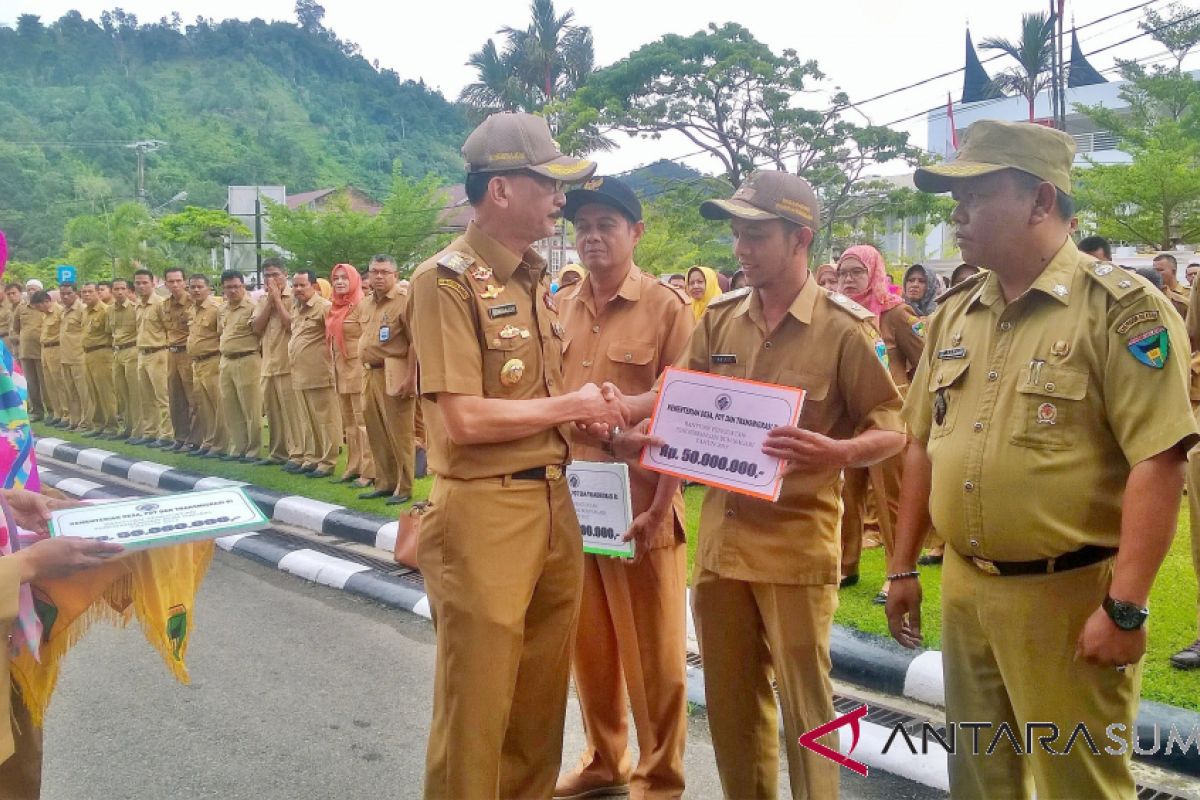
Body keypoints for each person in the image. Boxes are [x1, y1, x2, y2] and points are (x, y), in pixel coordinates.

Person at [886, 119, 1197, 800]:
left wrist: (1126, 608)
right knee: (979, 776)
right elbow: (921, 444)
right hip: (967, 589)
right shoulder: (955, 312)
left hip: (1068, 595)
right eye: (954, 197)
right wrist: (904, 563)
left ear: (1039, 200)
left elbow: (1160, 460)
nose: (958, 214)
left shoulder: (1120, 311)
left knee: (1077, 784)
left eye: (975, 194)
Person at [608, 170, 904, 800]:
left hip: (796, 544)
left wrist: (840, 450)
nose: (740, 248)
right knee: (732, 707)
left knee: (808, 710)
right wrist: (631, 417)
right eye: (738, 233)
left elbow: (894, 428)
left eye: (757, 235)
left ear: (801, 239)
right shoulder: (718, 320)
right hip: (722, 544)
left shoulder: (846, 329)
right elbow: (674, 396)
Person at [408, 111, 616, 799]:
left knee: (537, 707)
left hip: (554, 503)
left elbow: (546, 401)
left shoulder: (532, 278)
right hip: (485, 511)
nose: (562, 199)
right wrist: (572, 406)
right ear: (501, 190)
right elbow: (464, 418)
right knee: (478, 710)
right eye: (548, 184)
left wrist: (598, 417)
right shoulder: (445, 280)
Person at [554, 177, 694, 800]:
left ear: (636, 232)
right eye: (582, 225)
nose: (591, 236)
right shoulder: (560, 306)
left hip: (641, 500)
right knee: (590, 646)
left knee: (655, 658)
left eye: (606, 224)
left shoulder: (667, 307)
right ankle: (604, 759)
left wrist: (625, 416)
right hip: (574, 499)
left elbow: (685, 402)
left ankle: (659, 778)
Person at [835, 245, 924, 602]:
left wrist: (913, 403)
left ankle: (896, 570)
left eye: (857, 272)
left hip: (889, 419)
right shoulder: (839, 313)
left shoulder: (895, 313)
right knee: (845, 493)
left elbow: (929, 359)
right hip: (849, 418)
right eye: (843, 273)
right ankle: (846, 564)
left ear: (873, 272)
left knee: (891, 500)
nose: (848, 280)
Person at [356, 255, 417, 505]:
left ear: (396, 275)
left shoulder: (403, 302)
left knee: (399, 432)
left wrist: (412, 377)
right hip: (369, 373)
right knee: (376, 430)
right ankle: (384, 481)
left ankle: (404, 487)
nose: (378, 277)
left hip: (394, 372)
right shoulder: (366, 304)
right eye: (374, 272)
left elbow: (416, 342)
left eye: (384, 272)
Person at [251, 257, 306, 469]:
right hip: (268, 364)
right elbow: (256, 327)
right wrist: (270, 302)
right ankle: (277, 452)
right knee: (273, 414)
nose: (271, 279)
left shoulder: (295, 297)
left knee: (292, 413)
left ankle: (297, 453)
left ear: (285, 276)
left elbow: (291, 325)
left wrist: (278, 300)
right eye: (267, 276)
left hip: (288, 364)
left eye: (275, 275)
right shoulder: (262, 300)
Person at [287, 270, 340, 479]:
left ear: (314, 286)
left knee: (326, 420)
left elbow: (334, 339)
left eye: (303, 285)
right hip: (299, 373)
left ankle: (327, 462)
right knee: (306, 420)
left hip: (319, 373)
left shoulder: (324, 307)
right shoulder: (296, 307)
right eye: (295, 286)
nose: (298, 289)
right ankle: (312, 458)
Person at [327, 264, 374, 488]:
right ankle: (353, 466)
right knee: (349, 424)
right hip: (340, 370)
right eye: (336, 278)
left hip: (358, 368)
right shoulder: (336, 307)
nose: (339, 282)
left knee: (363, 422)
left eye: (345, 278)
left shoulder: (363, 305)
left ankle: (369, 470)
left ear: (354, 280)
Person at [217, 271, 262, 463]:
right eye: (229, 287)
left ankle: (253, 451)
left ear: (243, 286)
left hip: (247, 359)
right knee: (231, 406)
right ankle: (238, 448)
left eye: (237, 286)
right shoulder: (223, 309)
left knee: (251, 408)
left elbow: (259, 332)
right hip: (226, 361)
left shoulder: (253, 307)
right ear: (223, 289)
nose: (233, 290)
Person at [132, 268, 173, 448]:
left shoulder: (160, 304)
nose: (141, 286)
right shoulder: (138, 305)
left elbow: (168, 329)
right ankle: (150, 432)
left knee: (162, 396)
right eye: (138, 283)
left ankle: (166, 434)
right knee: (146, 396)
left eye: (144, 283)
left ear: (153, 283)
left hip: (159, 353)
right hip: (142, 353)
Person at [186, 275, 224, 459]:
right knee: (203, 405)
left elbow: (223, 335)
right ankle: (208, 441)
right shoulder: (192, 310)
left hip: (212, 360)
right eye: (192, 287)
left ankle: (220, 444)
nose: (196, 290)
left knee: (216, 404)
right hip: (197, 363)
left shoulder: (216, 309)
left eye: (200, 286)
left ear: (208, 288)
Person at [163, 267, 198, 453]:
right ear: (165, 283)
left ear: (184, 282)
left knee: (192, 397)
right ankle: (180, 437)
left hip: (188, 353)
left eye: (178, 281)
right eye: (171, 281)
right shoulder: (165, 304)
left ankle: (194, 439)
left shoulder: (192, 302)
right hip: (172, 353)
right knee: (175, 398)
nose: (175, 285)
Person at [79, 283, 118, 438]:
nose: (87, 295)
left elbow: (111, 332)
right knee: (93, 391)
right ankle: (98, 424)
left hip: (102, 353)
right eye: (84, 292)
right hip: (88, 354)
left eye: (90, 292)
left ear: (97, 293)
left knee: (106, 391)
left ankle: (112, 426)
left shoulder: (105, 310)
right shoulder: (85, 312)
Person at [106, 278, 139, 441]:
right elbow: (109, 331)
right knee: (121, 393)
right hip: (117, 352)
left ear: (128, 291)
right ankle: (127, 427)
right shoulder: (110, 310)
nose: (119, 292)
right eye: (116, 289)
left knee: (135, 392)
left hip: (132, 350)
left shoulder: (135, 308)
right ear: (112, 291)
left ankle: (139, 430)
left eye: (123, 288)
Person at [58, 283, 89, 432]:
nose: (64, 296)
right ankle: (74, 421)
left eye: (68, 293)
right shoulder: (63, 311)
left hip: (79, 357)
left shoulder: (82, 309)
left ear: (76, 293)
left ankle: (86, 422)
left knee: (84, 392)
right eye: (62, 293)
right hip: (65, 357)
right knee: (71, 392)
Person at [34, 291, 67, 429]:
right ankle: (57, 413)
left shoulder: (59, 311)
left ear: (46, 302)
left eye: (38, 306)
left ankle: (66, 414)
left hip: (56, 348)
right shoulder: (44, 314)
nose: (38, 309)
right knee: (50, 384)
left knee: (60, 383)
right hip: (45, 350)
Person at [13, 281, 44, 422]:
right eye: (29, 289)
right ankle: (37, 411)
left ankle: (52, 411)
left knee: (45, 383)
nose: (31, 291)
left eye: (34, 289)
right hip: (26, 351)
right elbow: (15, 328)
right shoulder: (21, 308)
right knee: (31, 383)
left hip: (42, 350)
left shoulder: (44, 307)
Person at [1153, 253, 1188, 318]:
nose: (1156, 273)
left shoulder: (1189, 294)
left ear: (1173, 271)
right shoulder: (1153, 294)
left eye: (1160, 270)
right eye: (1154, 270)